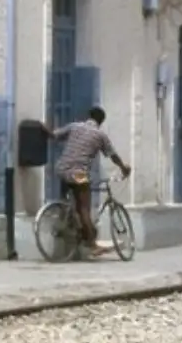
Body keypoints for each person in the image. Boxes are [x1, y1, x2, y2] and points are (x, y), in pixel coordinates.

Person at [50, 106, 130, 255]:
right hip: (79, 173)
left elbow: (54, 135)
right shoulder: (100, 135)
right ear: (101, 121)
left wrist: (43, 128)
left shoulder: (75, 126)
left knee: (72, 197)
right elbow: (113, 155)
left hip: (61, 169)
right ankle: (93, 245)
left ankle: (68, 219)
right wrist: (123, 167)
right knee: (84, 208)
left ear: (89, 116)